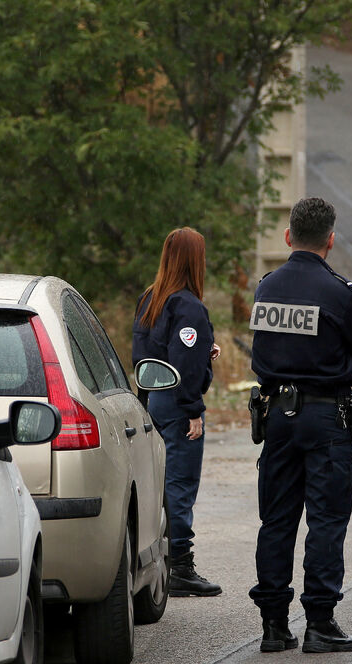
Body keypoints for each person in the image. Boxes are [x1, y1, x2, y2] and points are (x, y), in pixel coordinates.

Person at [248, 197, 352, 653]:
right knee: (326, 520)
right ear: (330, 240)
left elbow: (261, 352)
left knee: (276, 520)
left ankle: (273, 626)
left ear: (288, 236)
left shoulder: (266, 288)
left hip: (277, 417)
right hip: (326, 419)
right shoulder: (341, 293)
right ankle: (319, 623)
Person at [132, 227, 222, 597]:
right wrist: (194, 411)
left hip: (152, 400)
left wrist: (203, 350)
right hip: (177, 404)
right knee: (180, 484)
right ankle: (180, 566)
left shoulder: (149, 298)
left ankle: (159, 558)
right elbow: (184, 367)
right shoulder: (189, 307)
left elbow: (148, 353)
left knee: (157, 482)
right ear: (194, 261)